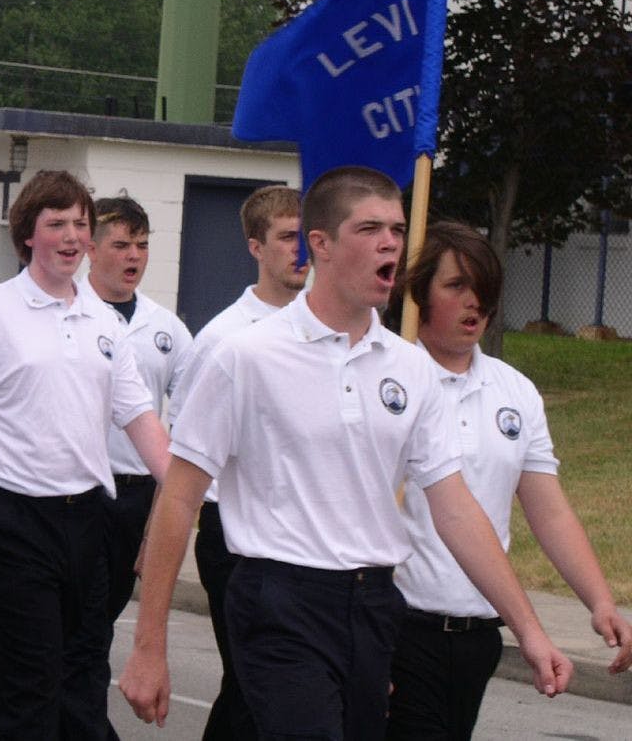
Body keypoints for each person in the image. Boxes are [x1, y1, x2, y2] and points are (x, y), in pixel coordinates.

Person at [120, 166, 573, 739]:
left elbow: (455, 507)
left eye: (397, 228)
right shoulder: (245, 357)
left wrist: (528, 629)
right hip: (279, 599)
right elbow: (180, 499)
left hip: (374, 604)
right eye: (370, 228)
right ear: (321, 244)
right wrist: (148, 646)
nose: (390, 242)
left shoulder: (410, 369)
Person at [0, 170, 171, 738]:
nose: (70, 236)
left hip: (85, 519)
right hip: (4, 517)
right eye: (56, 223)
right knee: (35, 674)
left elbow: (142, 421)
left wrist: (185, 497)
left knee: (50, 663)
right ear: (27, 236)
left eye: (80, 225)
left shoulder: (105, 324)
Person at [384, 221, 632, 739]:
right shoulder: (388, 381)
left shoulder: (513, 390)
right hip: (399, 627)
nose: (474, 303)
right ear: (419, 290)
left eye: (485, 291)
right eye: (456, 287)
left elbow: (549, 509)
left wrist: (600, 601)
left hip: (480, 632)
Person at [165, 184, 308, 740]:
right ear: (255, 246)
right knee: (253, 684)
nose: (299, 251)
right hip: (235, 535)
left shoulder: (329, 330)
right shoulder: (225, 338)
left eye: (306, 237)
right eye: (286, 237)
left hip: (299, 532)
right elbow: (190, 450)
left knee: (272, 690)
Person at [80, 195, 192, 715]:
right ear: (91, 248)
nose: (134, 256)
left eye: (143, 245)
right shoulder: (69, 311)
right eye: (121, 244)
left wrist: (159, 525)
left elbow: (187, 428)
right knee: (78, 632)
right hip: (78, 492)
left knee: (99, 622)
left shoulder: (167, 330)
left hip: (137, 493)